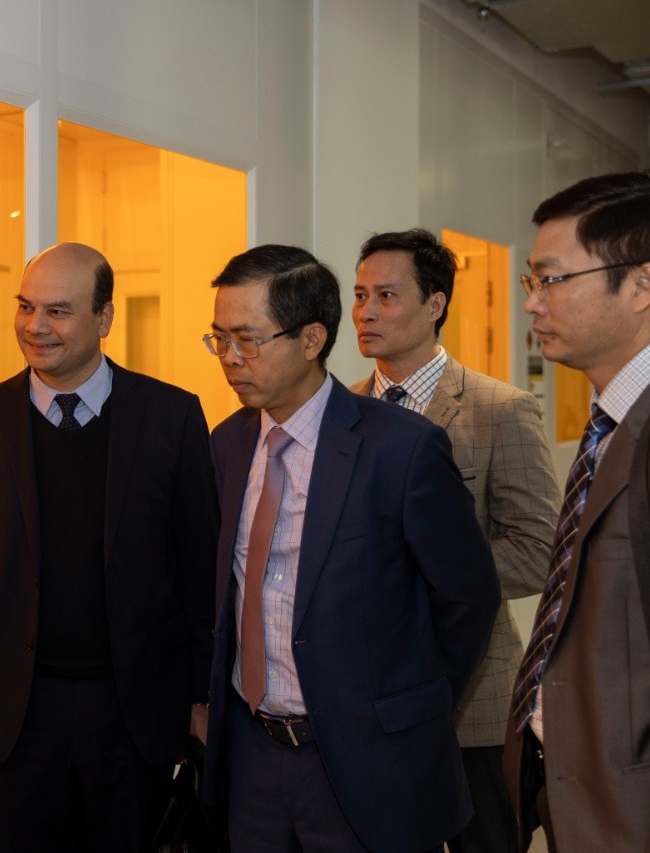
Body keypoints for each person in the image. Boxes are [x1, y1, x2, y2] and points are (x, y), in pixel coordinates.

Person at [200, 244, 500, 852]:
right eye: (219, 339)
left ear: (311, 339)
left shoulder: (401, 448)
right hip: (253, 756)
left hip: (366, 761)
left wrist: (410, 706)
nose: (230, 360)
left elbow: (468, 595)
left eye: (248, 339)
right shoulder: (228, 444)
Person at [0, 241, 218, 851]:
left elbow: (200, 574)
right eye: (26, 307)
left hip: (134, 712)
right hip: (17, 714)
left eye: (58, 311)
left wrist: (201, 696)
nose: (35, 327)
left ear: (103, 319)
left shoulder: (173, 417)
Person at [348, 228, 559, 853]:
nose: (365, 312)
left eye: (386, 295)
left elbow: (538, 548)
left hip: (474, 703)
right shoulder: (344, 413)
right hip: (368, 699)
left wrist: (419, 570)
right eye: (359, 295)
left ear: (435, 304)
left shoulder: (501, 410)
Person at [505, 171, 650, 852]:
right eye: (531, 282)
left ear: (641, 285)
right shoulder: (614, 422)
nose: (534, 305)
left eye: (553, 280)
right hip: (587, 801)